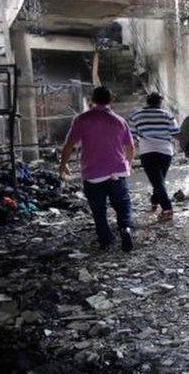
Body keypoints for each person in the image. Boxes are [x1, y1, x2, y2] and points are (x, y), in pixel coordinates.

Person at [59, 86, 135, 252]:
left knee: (98, 210)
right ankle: (126, 230)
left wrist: (63, 164)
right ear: (111, 100)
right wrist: (127, 165)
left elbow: (69, 145)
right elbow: (130, 147)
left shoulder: (82, 119)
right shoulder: (119, 121)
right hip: (117, 171)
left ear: (92, 99)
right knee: (123, 205)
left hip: (93, 173)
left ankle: (105, 241)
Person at [128, 92, 180, 221]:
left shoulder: (136, 115)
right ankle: (155, 199)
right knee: (159, 180)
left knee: (157, 181)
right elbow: (176, 134)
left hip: (147, 152)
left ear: (147, 102)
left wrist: (128, 154)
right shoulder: (168, 116)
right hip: (166, 152)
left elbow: (131, 137)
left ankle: (167, 208)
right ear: (160, 102)